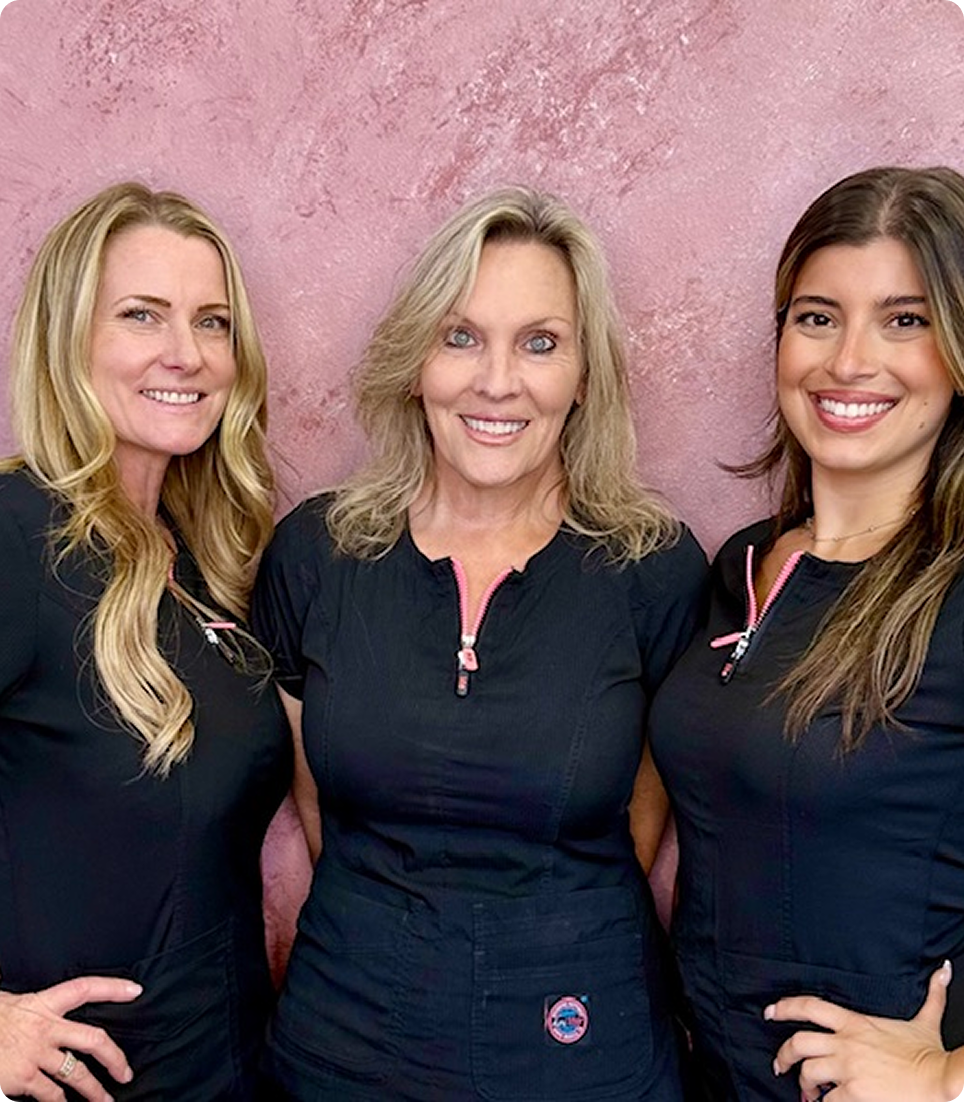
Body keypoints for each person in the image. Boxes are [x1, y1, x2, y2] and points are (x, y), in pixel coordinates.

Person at [252, 186, 707, 1100]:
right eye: (460, 335)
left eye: (540, 342)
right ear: (416, 360)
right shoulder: (319, 552)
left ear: (584, 374)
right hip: (342, 1050)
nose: (497, 380)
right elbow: (323, 812)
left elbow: (637, 824)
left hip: (584, 1056)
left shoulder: (652, 569)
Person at [649, 165, 964, 1101]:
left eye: (904, 320)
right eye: (817, 316)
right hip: (708, 1073)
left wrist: (946, 1078)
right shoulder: (742, 564)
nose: (848, 361)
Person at [0, 182, 291, 1101]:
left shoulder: (197, 557)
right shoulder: (13, 533)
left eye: (212, 323)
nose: (187, 354)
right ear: (68, 337)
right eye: (141, 316)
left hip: (222, 1067)